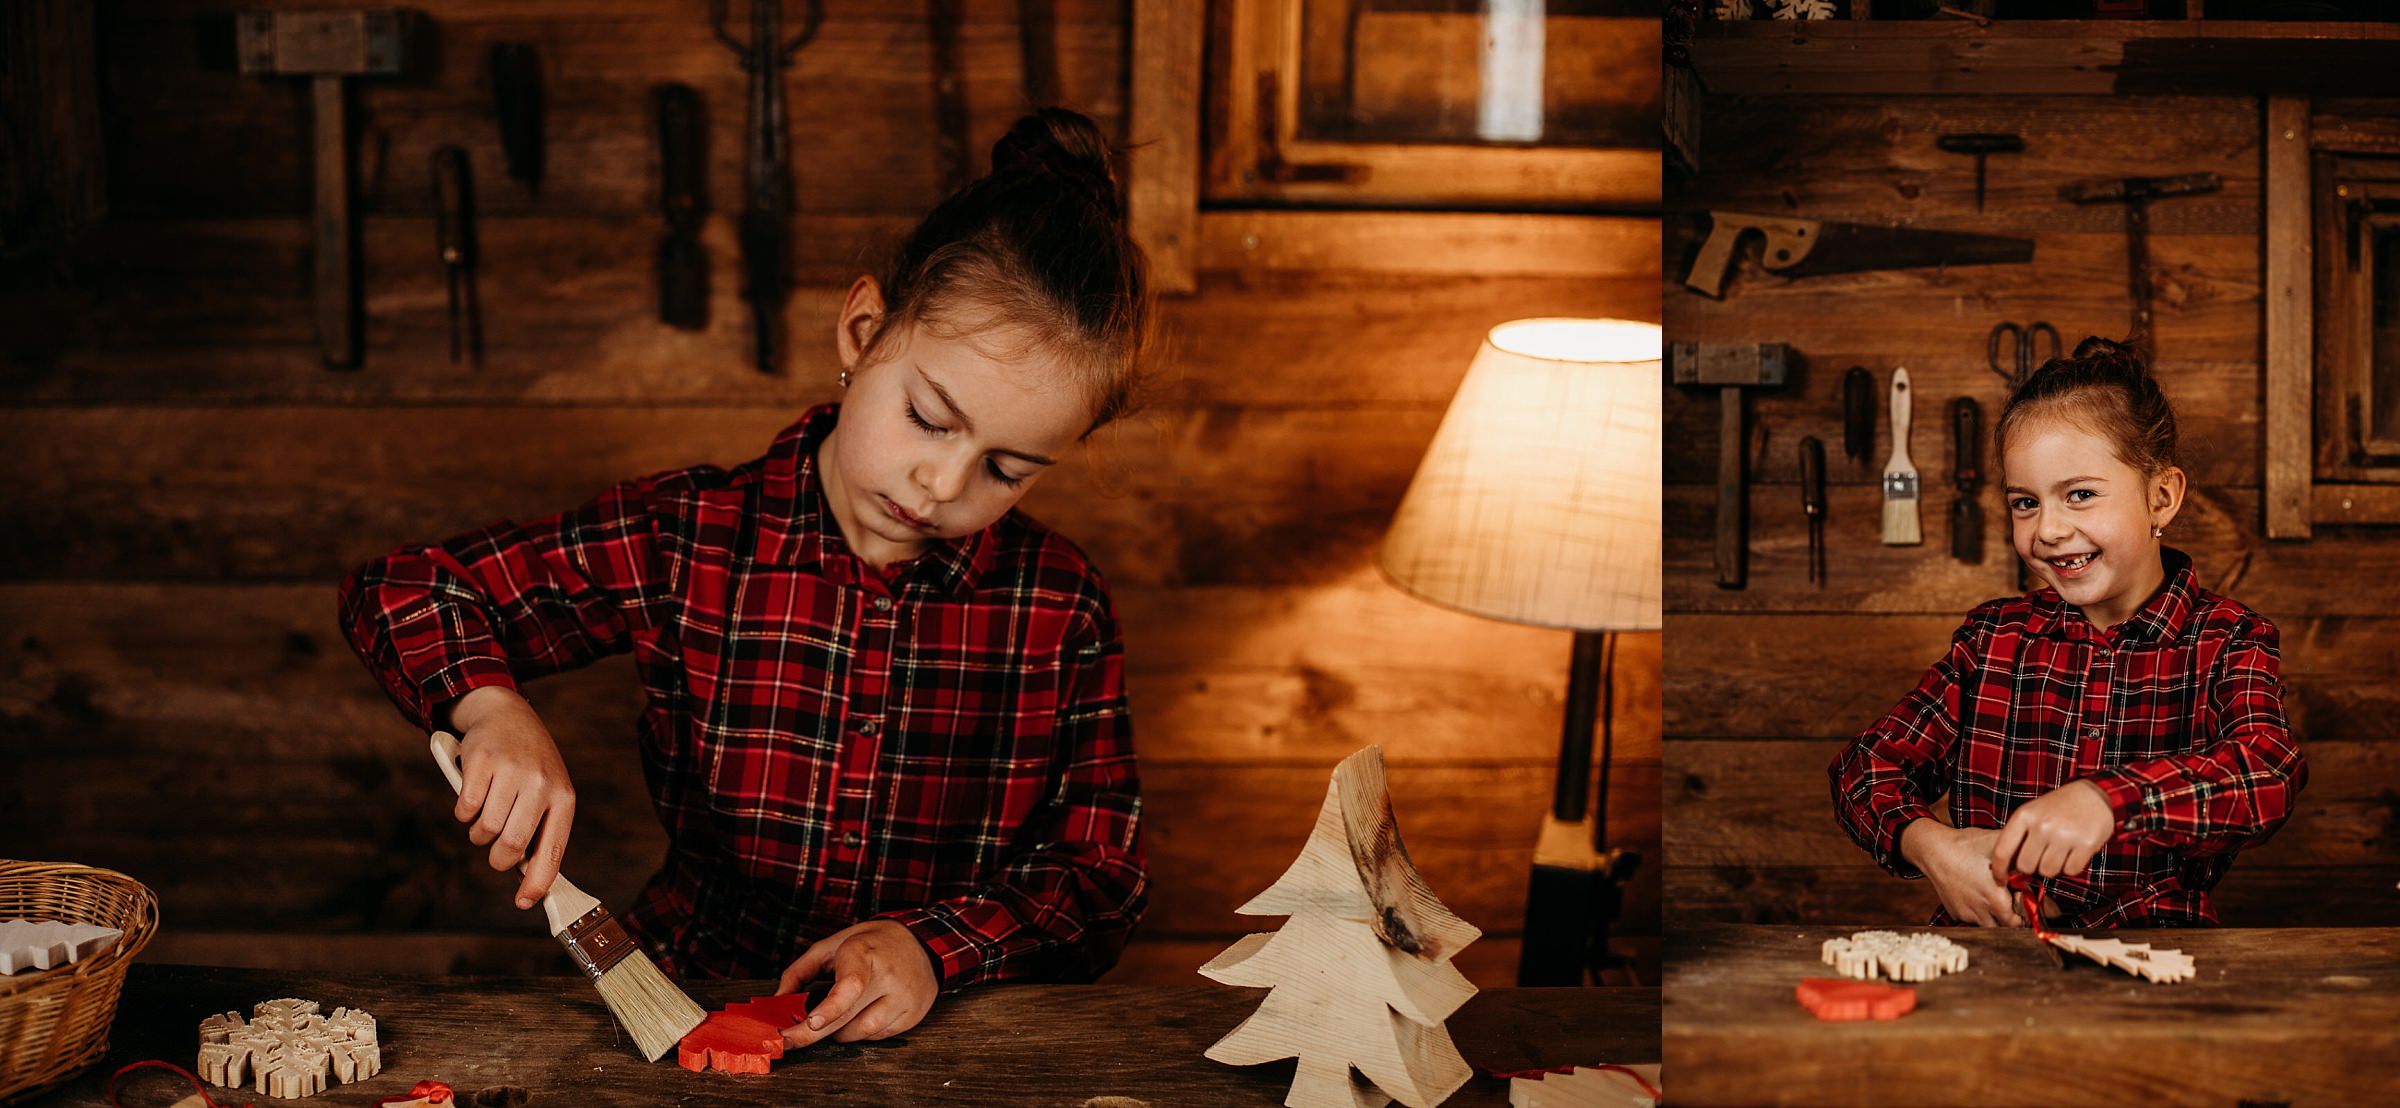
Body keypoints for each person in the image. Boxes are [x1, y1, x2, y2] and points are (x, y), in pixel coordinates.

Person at [339, 108, 1152, 1047]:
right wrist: (488, 709)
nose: (944, 485)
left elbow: (1102, 876)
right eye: (930, 418)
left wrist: (938, 949)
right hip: (692, 990)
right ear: (861, 331)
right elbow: (405, 589)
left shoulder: (1062, 607)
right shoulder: (691, 538)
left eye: (1008, 470)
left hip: (940, 1029)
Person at [1830, 338, 2305, 929]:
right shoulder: (1992, 640)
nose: (2049, 529)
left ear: (2162, 497)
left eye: (2080, 495)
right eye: (2025, 503)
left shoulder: (2229, 639)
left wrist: (2111, 800)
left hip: (2157, 964)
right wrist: (1933, 847)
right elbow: (1864, 768)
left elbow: (2267, 772)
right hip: (1993, 959)